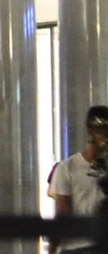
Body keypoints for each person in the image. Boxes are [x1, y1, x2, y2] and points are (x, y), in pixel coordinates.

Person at [49, 106, 108, 248]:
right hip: (77, 247)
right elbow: (63, 213)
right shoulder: (67, 168)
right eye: (103, 132)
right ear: (91, 132)